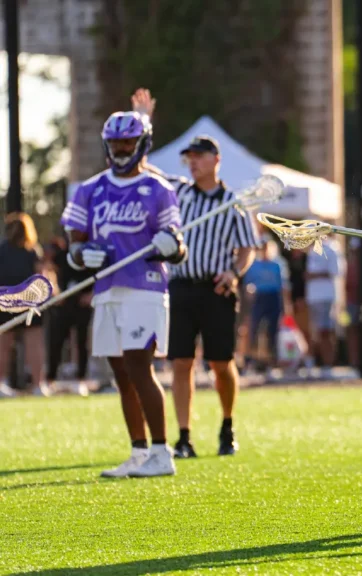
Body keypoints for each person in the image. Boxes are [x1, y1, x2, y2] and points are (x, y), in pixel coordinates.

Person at [60, 111, 188, 477]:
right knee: (120, 372)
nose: (120, 149)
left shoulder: (159, 190)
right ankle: (138, 451)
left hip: (144, 287)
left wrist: (168, 245)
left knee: (138, 364)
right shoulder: (90, 189)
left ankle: (163, 453)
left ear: (142, 144)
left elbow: (179, 247)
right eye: (116, 143)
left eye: (127, 143)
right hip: (107, 289)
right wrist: (81, 255)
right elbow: (75, 243)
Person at [163, 135, 259, 459]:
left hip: (216, 289)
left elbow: (247, 248)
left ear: (216, 160)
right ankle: (184, 436)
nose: (193, 162)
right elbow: (144, 169)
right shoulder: (177, 193)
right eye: (190, 157)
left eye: (200, 156)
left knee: (221, 362)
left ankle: (227, 425)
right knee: (180, 361)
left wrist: (234, 273)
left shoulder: (233, 202)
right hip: (181, 285)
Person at [0, 213, 51, 397]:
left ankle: (6, 383)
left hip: (12, 302)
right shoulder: (32, 251)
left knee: (7, 344)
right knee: (31, 343)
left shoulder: (9, 250)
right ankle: (38, 385)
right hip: (20, 302)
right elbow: (43, 277)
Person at [44, 232, 93, 395]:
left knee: (81, 341)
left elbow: (100, 274)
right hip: (64, 303)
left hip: (83, 304)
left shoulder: (90, 251)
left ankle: (80, 379)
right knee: (56, 340)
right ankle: (50, 379)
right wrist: (55, 291)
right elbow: (47, 267)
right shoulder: (62, 253)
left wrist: (91, 294)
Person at [243, 241, 291, 370]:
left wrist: (286, 305)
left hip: (273, 298)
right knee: (255, 329)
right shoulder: (254, 265)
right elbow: (248, 283)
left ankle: (272, 361)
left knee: (272, 331)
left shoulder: (277, 265)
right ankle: (253, 360)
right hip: (259, 298)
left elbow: (283, 287)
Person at [306, 237, 341, 367]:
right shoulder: (311, 251)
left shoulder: (332, 249)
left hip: (325, 297)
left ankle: (329, 362)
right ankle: (317, 362)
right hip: (313, 297)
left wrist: (314, 275)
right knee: (315, 332)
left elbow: (334, 272)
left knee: (326, 331)